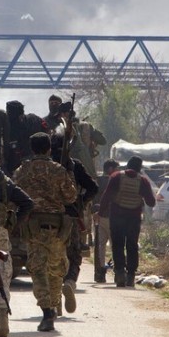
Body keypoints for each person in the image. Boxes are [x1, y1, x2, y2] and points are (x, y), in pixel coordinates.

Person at [12, 132, 77, 332]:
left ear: (32, 148)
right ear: (49, 148)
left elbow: (14, 194)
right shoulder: (58, 170)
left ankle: (47, 311)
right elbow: (71, 197)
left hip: (33, 227)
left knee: (37, 269)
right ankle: (54, 305)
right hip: (57, 227)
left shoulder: (22, 170)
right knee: (56, 268)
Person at [0, 143, 33, 337]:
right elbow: (27, 202)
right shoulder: (3, 179)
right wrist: (12, 223)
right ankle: (2, 314)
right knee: (0, 276)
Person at [50, 130, 98, 316]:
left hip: (48, 220)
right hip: (71, 217)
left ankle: (54, 302)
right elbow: (93, 187)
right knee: (74, 255)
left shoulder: (46, 167)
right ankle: (70, 282)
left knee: (51, 261)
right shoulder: (75, 166)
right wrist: (81, 202)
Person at [95, 156, 157, 288]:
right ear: (140, 168)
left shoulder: (117, 177)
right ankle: (130, 276)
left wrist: (100, 213)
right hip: (133, 219)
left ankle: (119, 274)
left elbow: (106, 196)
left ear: (127, 165)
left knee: (117, 245)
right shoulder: (143, 181)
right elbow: (151, 202)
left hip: (117, 217)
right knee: (132, 245)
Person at [92, 159, 120, 283]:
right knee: (115, 245)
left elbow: (93, 198)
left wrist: (94, 212)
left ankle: (100, 271)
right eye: (116, 168)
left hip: (98, 216)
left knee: (100, 245)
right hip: (111, 217)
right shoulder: (114, 181)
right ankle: (117, 271)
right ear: (110, 169)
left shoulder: (97, 181)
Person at [5, 100, 48, 174]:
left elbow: (46, 131)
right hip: (28, 163)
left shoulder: (34, 120)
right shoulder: (34, 119)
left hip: (32, 162)